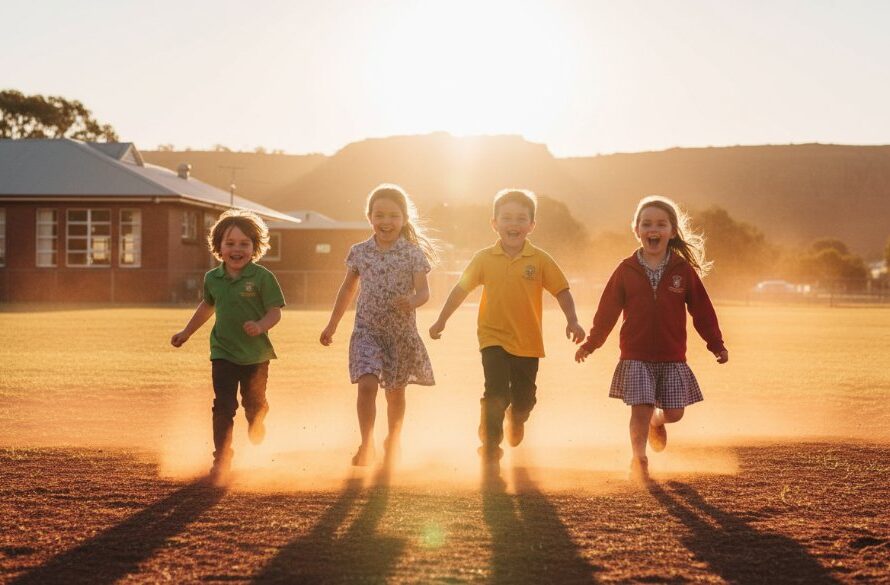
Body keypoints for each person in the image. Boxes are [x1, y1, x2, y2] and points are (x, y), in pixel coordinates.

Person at [575, 195, 728, 482]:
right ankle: (639, 459)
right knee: (641, 408)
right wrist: (591, 343)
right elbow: (607, 311)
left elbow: (702, 311)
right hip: (635, 356)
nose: (653, 229)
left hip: (671, 357)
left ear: (672, 231)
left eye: (661, 224)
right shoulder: (626, 270)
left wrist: (716, 344)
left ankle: (659, 422)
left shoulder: (682, 271)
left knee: (675, 412)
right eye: (646, 224)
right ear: (636, 230)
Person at [429, 189, 585, 463]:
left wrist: (572, 319)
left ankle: (517, 417)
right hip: (493, 338)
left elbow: (562, 290)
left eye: (521, 218)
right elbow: (460, 290)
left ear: (531, 225)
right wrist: (442, 319)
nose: (513, 224)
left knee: (525, 400)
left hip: (528, 342)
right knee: (496, 390)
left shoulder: (539, 259)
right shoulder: (483, 258)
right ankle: (490, 443)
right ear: (495, 223)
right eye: (507, 218)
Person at [320, 184, 437, 468]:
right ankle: (367, 444)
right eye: (380, 215)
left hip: (400, 335)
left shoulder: (412, 254)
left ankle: (393, 440)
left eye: (393, 216)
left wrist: (412, 301)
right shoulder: (359, 252)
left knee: (395, 394)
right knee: (367, 385)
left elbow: (424, 292)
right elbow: (347, 289)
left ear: (404, 219)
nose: (386, 222)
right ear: (369, 217)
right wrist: (332, 325)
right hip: (366, 332)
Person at [171, 209, 284, 486]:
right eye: (230, 243)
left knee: (253, 404)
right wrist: (187, 331)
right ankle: (221, 458)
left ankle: (257, 418)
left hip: (256, 356)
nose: (237, 249)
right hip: (222, 352)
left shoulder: (262, 277)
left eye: (244, 244)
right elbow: (207, 306)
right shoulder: (212, 278)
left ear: (255, 248)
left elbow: (275, 312)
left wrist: (261, 325)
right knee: (223, 406)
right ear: (218, 246)